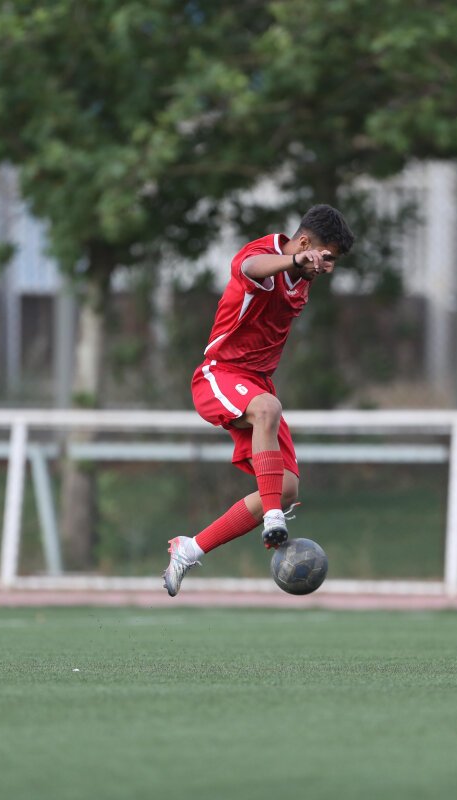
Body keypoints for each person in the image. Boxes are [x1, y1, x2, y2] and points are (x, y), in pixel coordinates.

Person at [163, 204, 355, 596]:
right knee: (268, 410)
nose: (327, 267)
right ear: (304, 243)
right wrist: (295, 260)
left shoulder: (303, 277)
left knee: (287, 488)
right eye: (326, 257)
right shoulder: (264, 256)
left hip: (257, 384)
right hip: (219, 374)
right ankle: (272, 519)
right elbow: (251, 268)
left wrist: (303, 264)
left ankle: (190, 549)